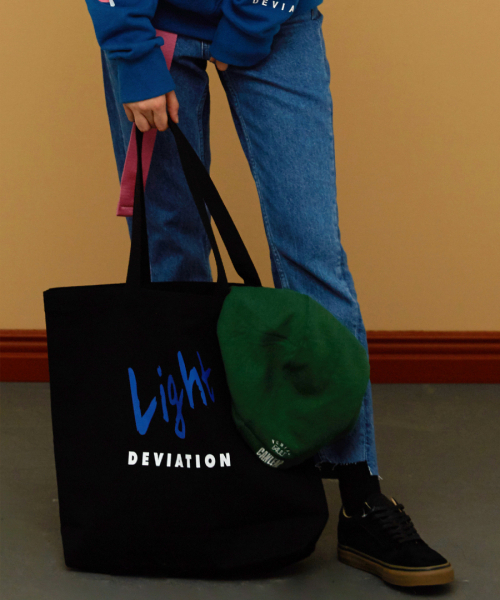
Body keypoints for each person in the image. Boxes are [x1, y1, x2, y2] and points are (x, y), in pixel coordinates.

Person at [84, 0, 454, 587]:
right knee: (170, 258)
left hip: (279, 22)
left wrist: (249, 26)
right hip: (153, 26)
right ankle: (193, 480)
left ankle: (360, 496)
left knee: (312, 255)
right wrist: (131, 51)